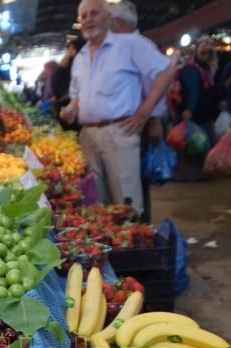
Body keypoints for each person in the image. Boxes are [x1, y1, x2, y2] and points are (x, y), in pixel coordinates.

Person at [61, 0, 175, 215]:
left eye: (94, 13)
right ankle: (106, 248)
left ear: (108, 17)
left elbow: (166, 70)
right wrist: (71, 109)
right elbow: (77, 95)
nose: (88, 20)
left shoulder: (130, 45)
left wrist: (145, 111)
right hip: (87, 136)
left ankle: (131, 247)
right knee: (96, 203)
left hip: (119, 133)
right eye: (83, 16)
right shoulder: (81, 58)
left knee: (126, 203)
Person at [108, 0, 169, 222]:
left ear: (117, 21)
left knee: (135, 180)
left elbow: (161, 79)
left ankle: (140, 229)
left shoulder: (137, 45)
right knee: (129, 179)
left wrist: (152, 118)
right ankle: (135, 227)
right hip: (130, 124)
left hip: (136, 124)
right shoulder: (121, 46)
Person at [179, 36, 219, 146]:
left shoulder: (206, 68)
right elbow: (193, 92)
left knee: (205, 146)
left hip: (205, 114)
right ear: (197, 51)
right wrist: (189, 110)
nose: (206, 56)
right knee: (199, 147)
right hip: (196, 116)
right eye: (203, 52)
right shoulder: (191, 69)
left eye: (209, 53)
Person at [52, 37, 86, 127]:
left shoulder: (83, 65)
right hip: (65, 107)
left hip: (77, 109)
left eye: (73, 48)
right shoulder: (68, 65)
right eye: (69, 48)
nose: (70, 51)